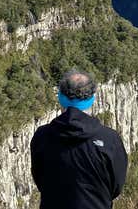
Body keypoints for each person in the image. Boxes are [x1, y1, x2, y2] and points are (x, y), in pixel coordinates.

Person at [30, 70, 128, 209]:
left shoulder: (42, 136)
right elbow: (116, 186)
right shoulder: (109, 139)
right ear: (92, 98)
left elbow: (39, 178)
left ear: (60, 97)